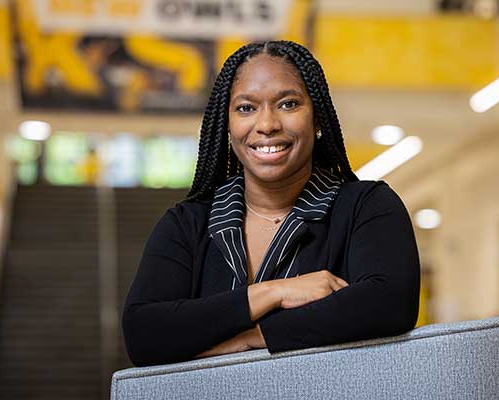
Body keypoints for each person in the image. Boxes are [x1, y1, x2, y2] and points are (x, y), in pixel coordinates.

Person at [122, 40, 420, 367]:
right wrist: (274, 293)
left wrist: (253, 338)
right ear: (227, 125)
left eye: (289, 104)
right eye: (246, 108)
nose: (266, 125)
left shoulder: (367, 207)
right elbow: (143, 332)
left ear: (317, 119)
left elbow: (389, 303)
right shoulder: (187, 224)